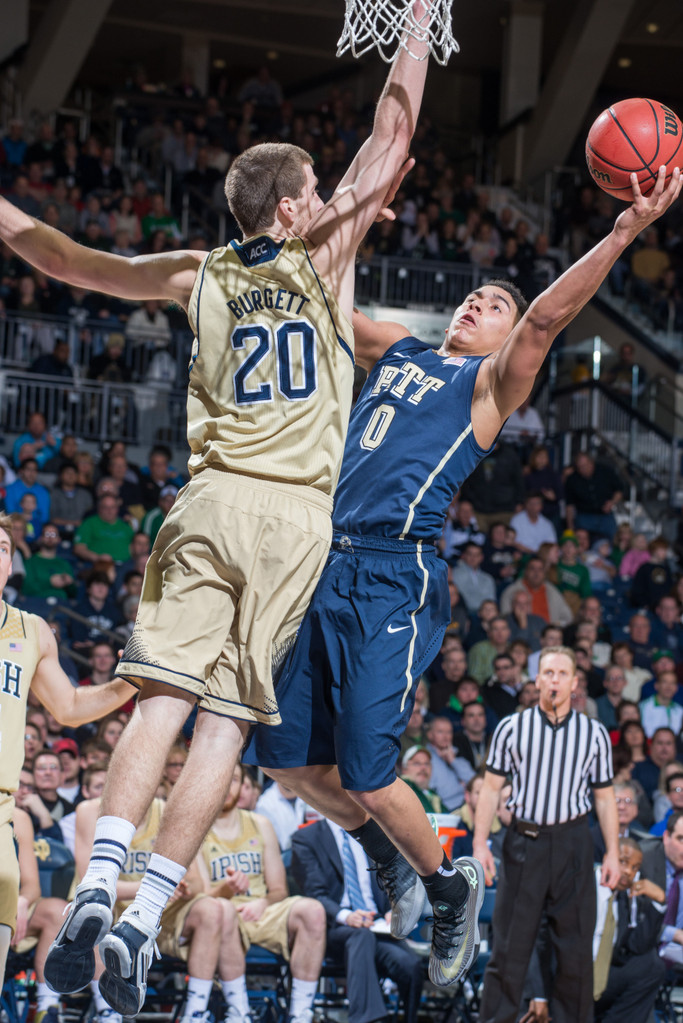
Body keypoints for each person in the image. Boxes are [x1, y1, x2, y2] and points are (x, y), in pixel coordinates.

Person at [31, 13, 435, 1012]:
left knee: (160, 695)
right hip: (294, 520)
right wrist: (418, 28)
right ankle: (144, 912)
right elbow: (391, 136)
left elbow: (72, 261)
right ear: (297, 210)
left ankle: (97, 886)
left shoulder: (197, 271)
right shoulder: (324, 255)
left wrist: (5, 217)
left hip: (210, 498)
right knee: (222, 723)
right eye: (315, 192)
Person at [245, 163, 682, 993]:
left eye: (496, 304)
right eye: (472, 297)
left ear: (506, 337)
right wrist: (340, 216)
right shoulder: (401, 349)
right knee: (291, 766)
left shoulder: (487, 385)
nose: (477, 303)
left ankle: (448, 884)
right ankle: (390, 855)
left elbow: (549, 316)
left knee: (371, 773)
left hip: (391, 572)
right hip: (320, 564)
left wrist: (624, 230)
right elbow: (322, 302)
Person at [0, 513, 135, 983]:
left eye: (3, 549)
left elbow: (71, 707)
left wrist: (126, 683)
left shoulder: (31, 630)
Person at [473, 646, 619, 1023]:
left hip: (573, 842)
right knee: (508, 947)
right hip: (524, 842)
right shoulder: (511, 727)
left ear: (574, 682)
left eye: (561, 674)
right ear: (536, 679)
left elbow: (604, 799)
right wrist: (479, 844)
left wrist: (614, 854)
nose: (554, 680)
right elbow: (489, 789)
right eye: (547, 673)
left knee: (574, 951)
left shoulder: (595, 734)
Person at [197, 762, 326, 1023]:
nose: (226, 785)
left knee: (312, 911)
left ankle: (300, 1013)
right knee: (221, 913)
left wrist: (263, 903)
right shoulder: (195, 828)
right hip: (219, 915)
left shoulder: (261, 824)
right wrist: (227, 890)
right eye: (220, 778)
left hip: (260, 911)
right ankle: (239, 1012)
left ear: (244, 786)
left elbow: (279, 890)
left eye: (233, 779)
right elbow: (198, 898)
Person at [291, 816, 426, 1023]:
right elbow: (314, 894)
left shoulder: (373, 835)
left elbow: (394, 881)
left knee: (410, 965)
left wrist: (395, 909)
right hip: (334, 927)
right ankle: (366, 1019)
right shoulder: (307, 838)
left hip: (376, 926)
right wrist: (347, 916)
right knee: (361, 936)